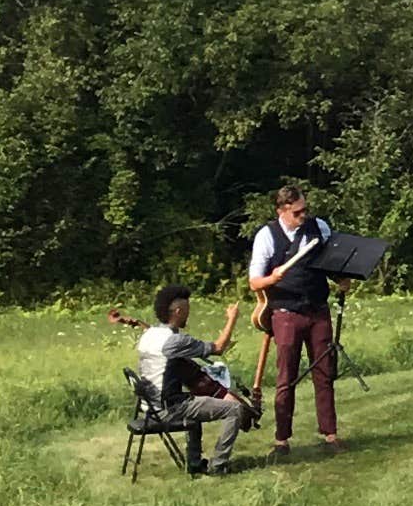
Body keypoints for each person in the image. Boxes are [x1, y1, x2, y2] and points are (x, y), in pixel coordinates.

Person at [247, 183, 341, 456]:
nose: (303, 217)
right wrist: (271, 278)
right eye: (297, 213)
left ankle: (330, 434)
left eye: (305, 211)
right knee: (286, 377)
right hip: (286, 313)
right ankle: (281, 440)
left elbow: (330, 262)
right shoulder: (267, 236)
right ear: (282, 211)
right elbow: (255, 282)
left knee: (324, 373)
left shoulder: (319, 228)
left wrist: (341, 278)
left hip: (318, 309)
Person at [121, 286, 247, 473]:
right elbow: (219, 347)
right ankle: (218, 465)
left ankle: (194, 463)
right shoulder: (176, 341)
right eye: (188, 310)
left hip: (149, 408)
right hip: (167, 409)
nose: (189, 315)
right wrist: (232, 318)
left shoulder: (149, 334)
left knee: (192, 402)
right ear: (178, 312)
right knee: (235, 409)